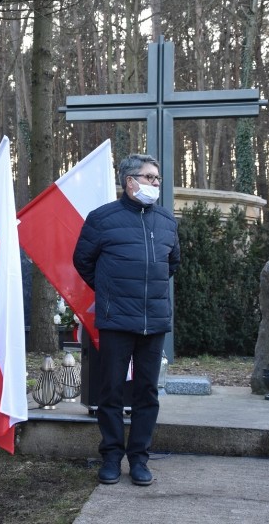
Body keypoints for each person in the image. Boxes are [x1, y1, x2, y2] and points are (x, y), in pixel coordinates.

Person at [73, 153, 180, 486]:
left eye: (157, 178)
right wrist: (110, 291)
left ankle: (139, 459)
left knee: (147, 392)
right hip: (116, 320)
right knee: (112, 392)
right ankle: (111, 457)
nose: (155, 184)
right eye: (149, 177)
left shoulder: (166, 221)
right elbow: (82, 261)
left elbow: (172, 263)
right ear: (130, 181)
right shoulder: (102, 219)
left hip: (154, 322)